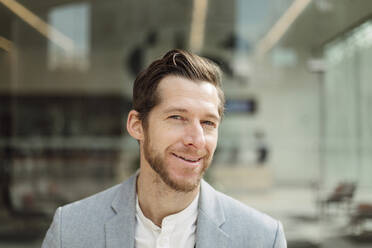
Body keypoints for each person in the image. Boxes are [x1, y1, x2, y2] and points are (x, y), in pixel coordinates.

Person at [42, 49, 287, 248]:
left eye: (208, 123)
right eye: (177, 117)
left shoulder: (263, 238)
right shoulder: (71, 231)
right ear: (137, 125)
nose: (197, 139)